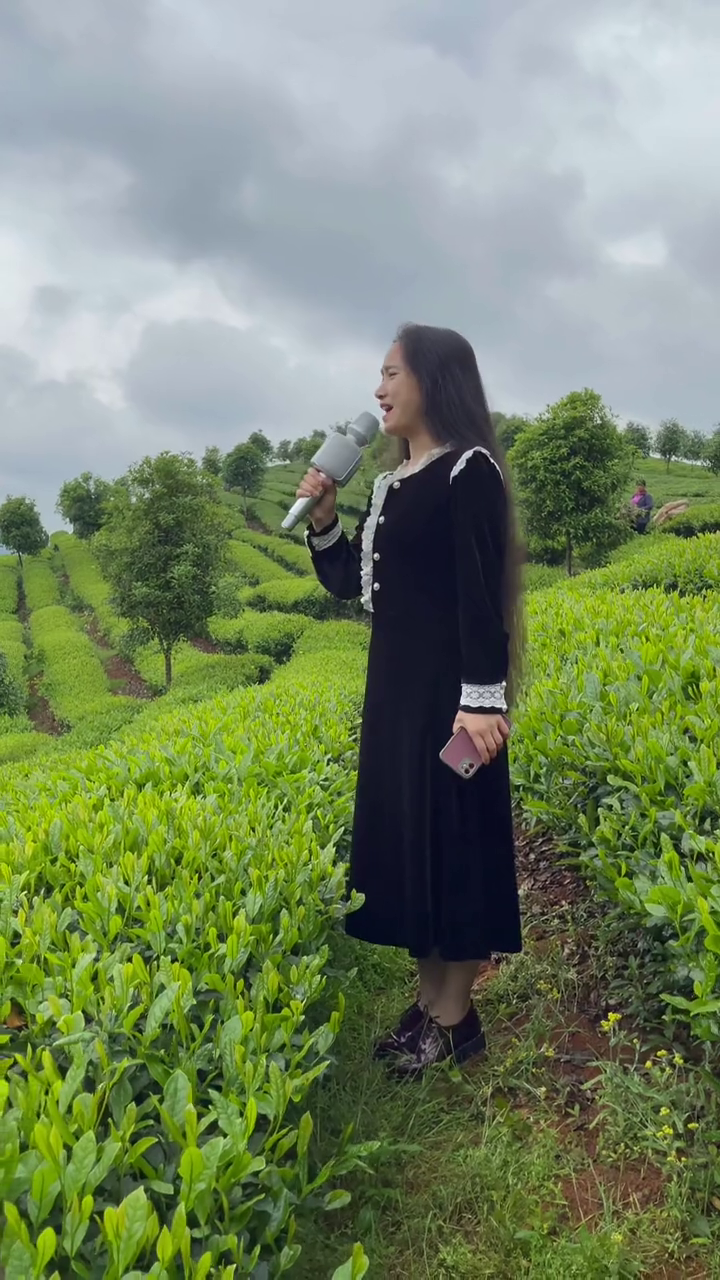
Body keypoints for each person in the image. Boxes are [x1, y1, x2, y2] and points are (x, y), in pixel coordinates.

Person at [296, 323, 523, 1078]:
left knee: (453, 846)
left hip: (454, 702)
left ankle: (455, 1017)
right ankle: (431, 1006)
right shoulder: (395, 481)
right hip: (396, 698)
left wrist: (484, 702)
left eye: (392, 372)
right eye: (380, 374)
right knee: (412, 848)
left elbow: (481, 596)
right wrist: (325, 522)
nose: (378, 389)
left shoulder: (469, 470)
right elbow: (355, 592)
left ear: (435, 379)